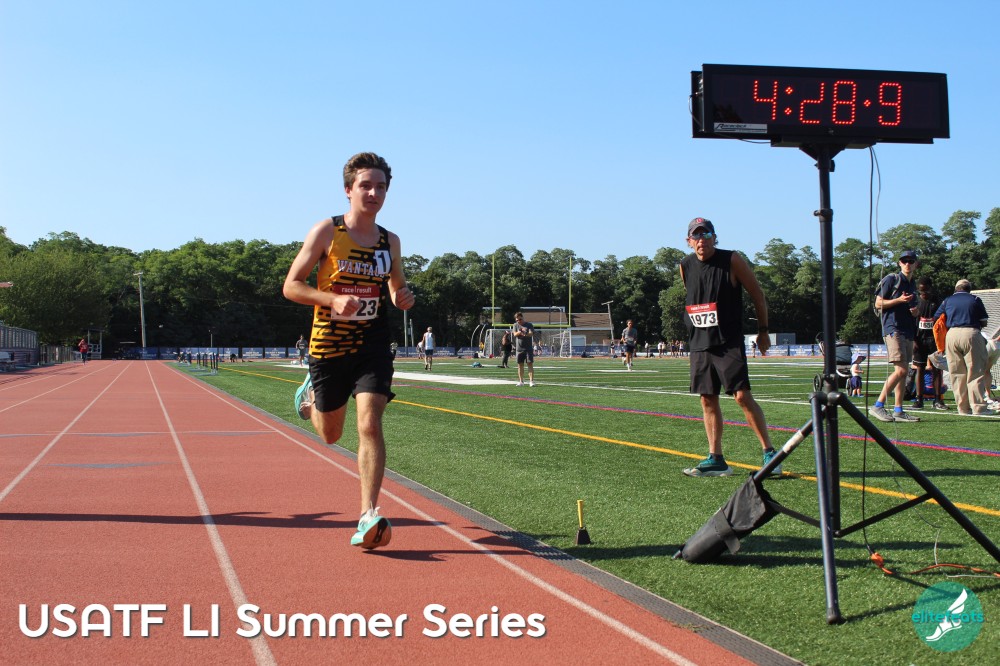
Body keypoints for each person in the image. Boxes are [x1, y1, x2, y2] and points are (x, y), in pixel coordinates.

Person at [282, 151, 415, 549]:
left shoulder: (390, 241)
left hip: (372, 344)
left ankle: (367, 513)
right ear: (348, 190)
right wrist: (331, 299)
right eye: (366, 186)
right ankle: (311, 401)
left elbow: (395, 285)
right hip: (329, 345)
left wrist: (402, 296)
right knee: (331, 434)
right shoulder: (327, 231)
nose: (374, 193)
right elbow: (291, 285)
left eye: (381, 187)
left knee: (370, 424)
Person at [678, 218, 780, 477]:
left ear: (714, 237)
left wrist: (763, 331)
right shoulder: (685, 266)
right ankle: (716, 458)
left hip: (728, 341)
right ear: (689, 241)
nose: (701, 240)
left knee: (742, 396)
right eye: (696, 236)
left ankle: (770, 454)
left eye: (706, 234)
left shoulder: (732, 259)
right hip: (700, 342)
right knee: (707, 399)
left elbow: (757, 294)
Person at [868, 250, 921, 423]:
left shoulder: (912, 284)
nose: (907, 264)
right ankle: (878, 405)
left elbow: (914, 310)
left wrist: (915, 311)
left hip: (907, 330)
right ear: (899, 263)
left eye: (910, 261)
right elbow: (878, 303)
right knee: (901, 370)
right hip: (893, 328)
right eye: (904, 261)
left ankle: (899, 410)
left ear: (916, 264)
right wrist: (899, 301)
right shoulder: (892, 279)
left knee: (903, 373)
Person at [933, 279, 992, 416]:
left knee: (957, 373)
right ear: (969, 289)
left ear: (956, 289)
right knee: (975, 372)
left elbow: (937, 318)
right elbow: (984, 321)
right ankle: (978, 407)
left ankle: (963, 408)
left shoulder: (947, 300)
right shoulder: (975, 299)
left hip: (951, 335)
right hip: (971, 333)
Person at [910, 277, 946, 410]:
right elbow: (911, 321)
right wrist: (914, 340)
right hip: (919, 340)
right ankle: (919, 399)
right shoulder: (915, 301)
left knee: (937, 368)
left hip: (935, 340)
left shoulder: (938, 301)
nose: (923, 293)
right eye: (921, 291)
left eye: (926, 290)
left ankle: (938, 400)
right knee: (920, 369)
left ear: (931, 288)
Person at [512, 312, 535, 387]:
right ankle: (521, 381)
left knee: (530, 364)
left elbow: (531, 334)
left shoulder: (529, 325)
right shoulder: (515, 325)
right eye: (517, 320)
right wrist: (520, 331)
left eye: (520, 319)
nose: (519, 321)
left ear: (523, 318)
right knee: (520, 365)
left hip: (528, 348)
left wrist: (526, 333)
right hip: (519, 348)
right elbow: (514, 334)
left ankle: (531, 381)